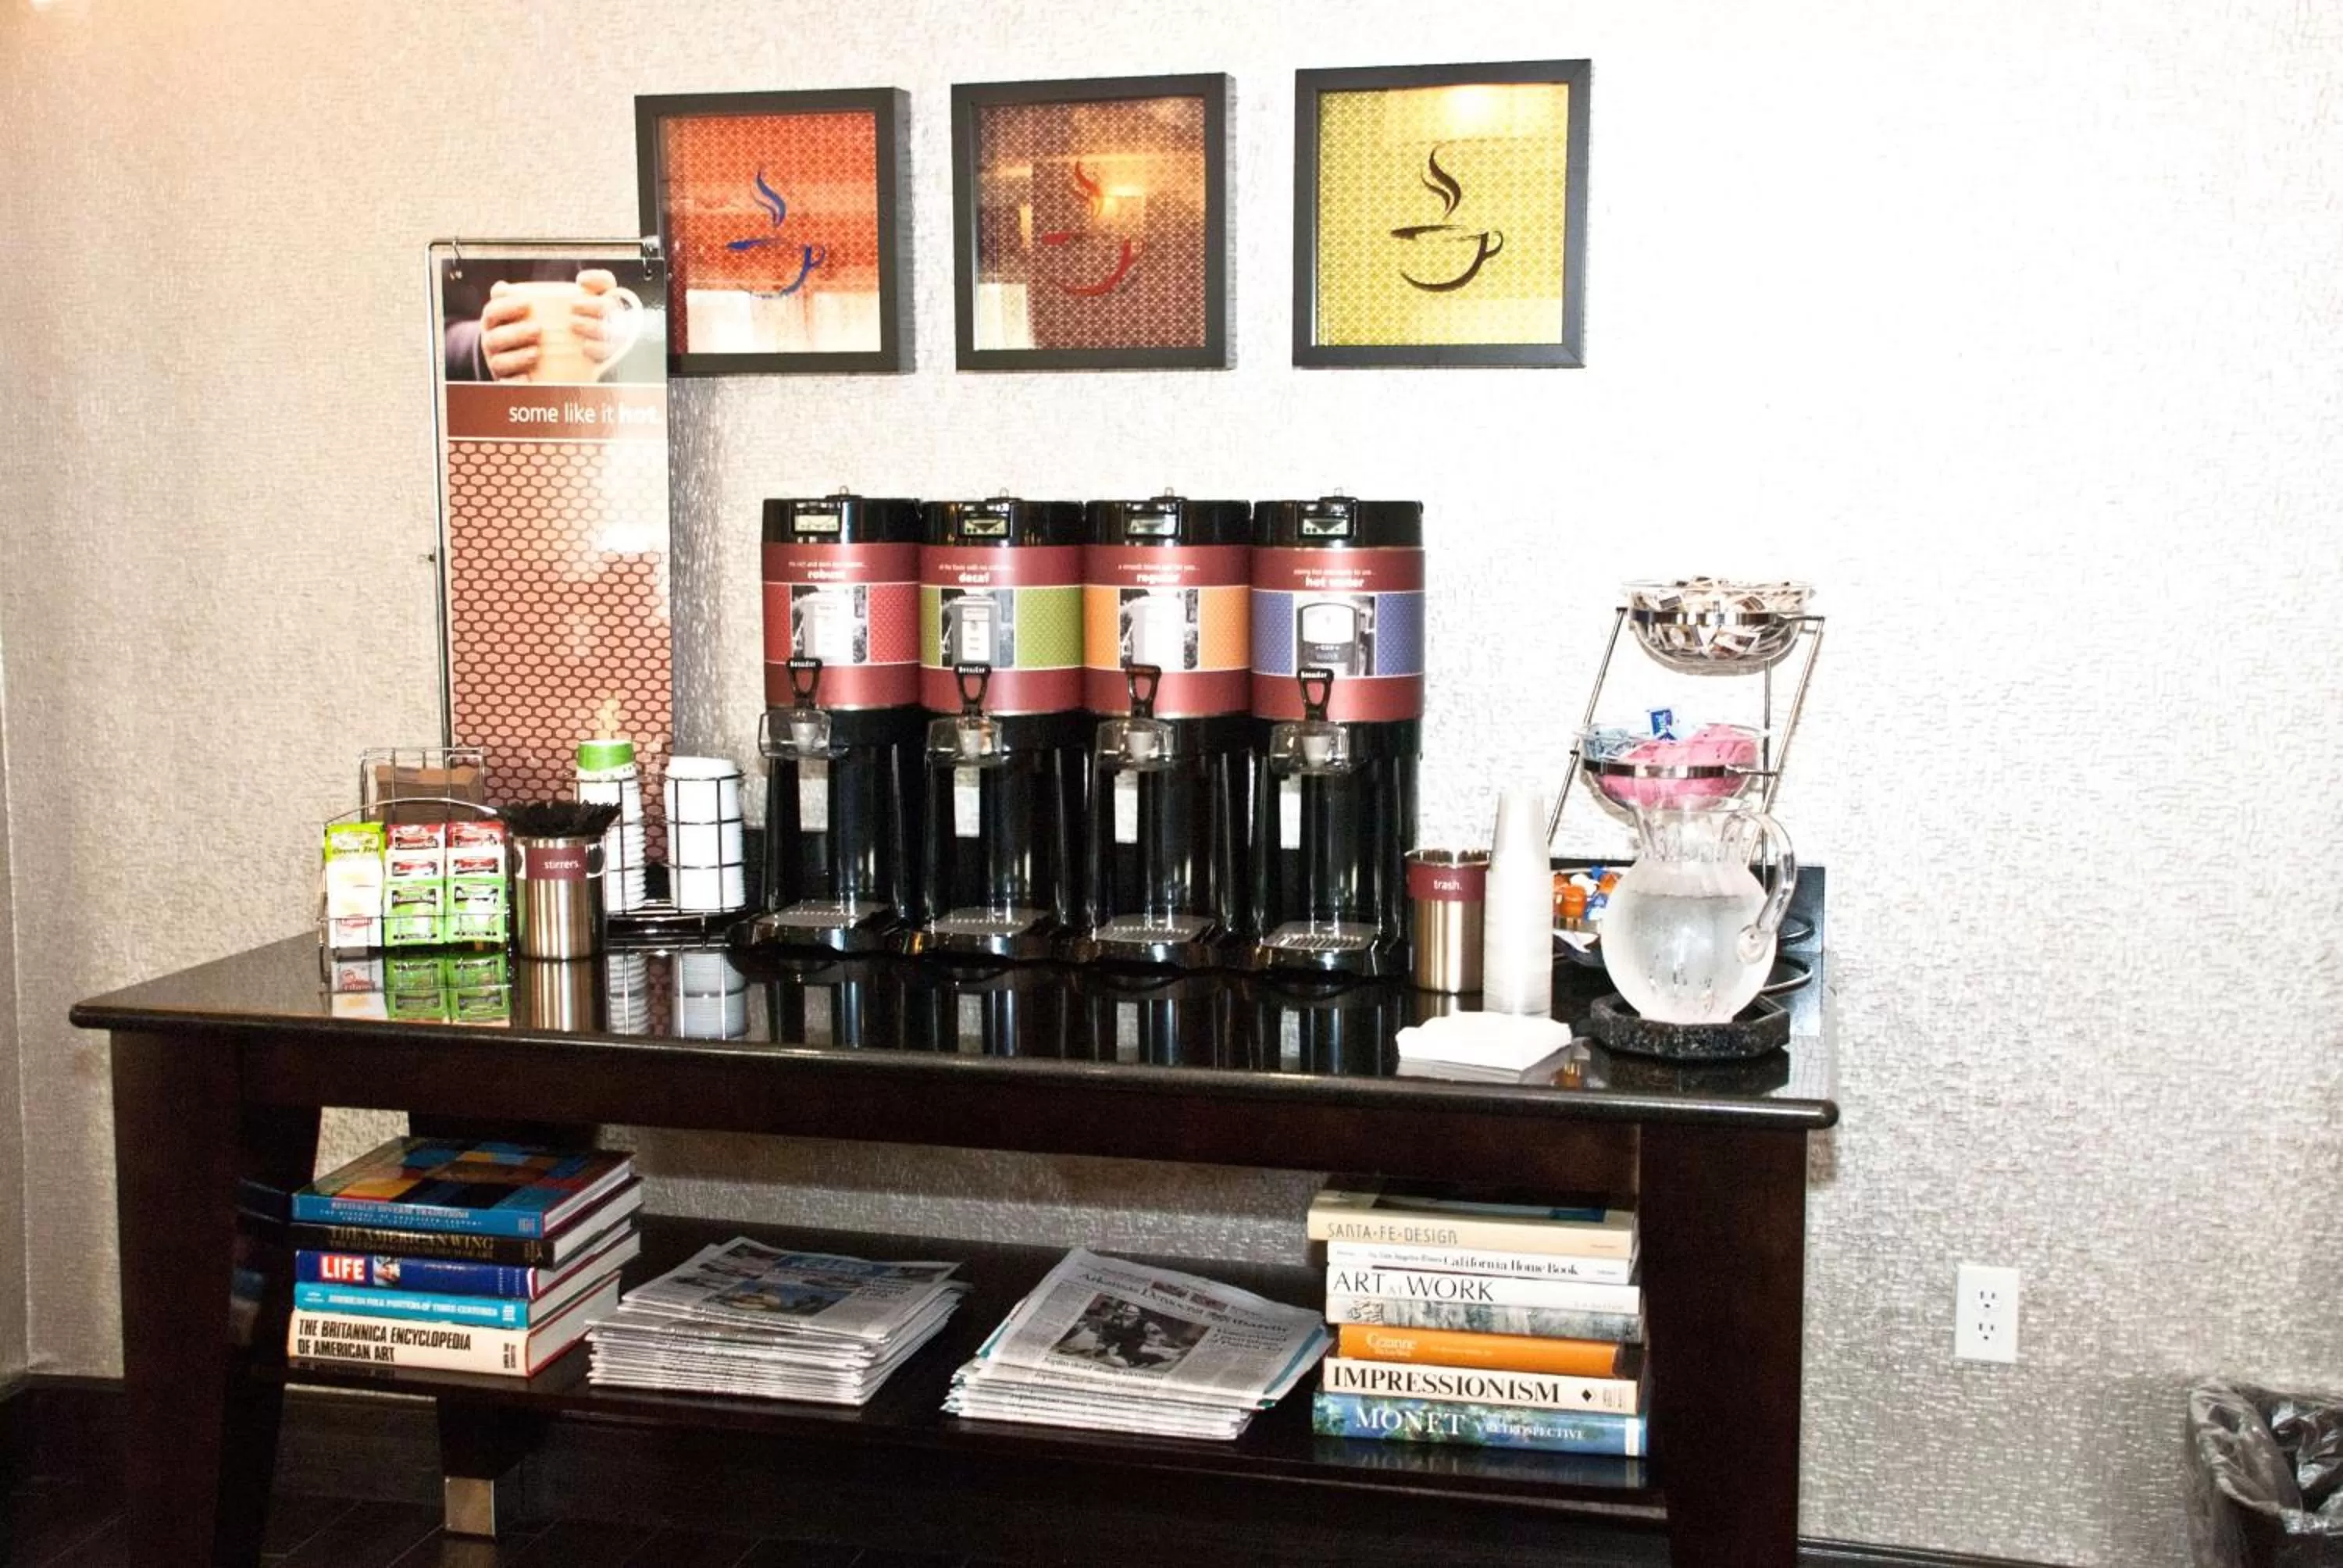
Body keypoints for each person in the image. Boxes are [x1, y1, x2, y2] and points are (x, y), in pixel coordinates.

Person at [443, 264, 646, 383]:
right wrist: (484, 345)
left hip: (614, 418)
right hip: (502, 421)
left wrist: (626, 332)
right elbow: (426, 333)